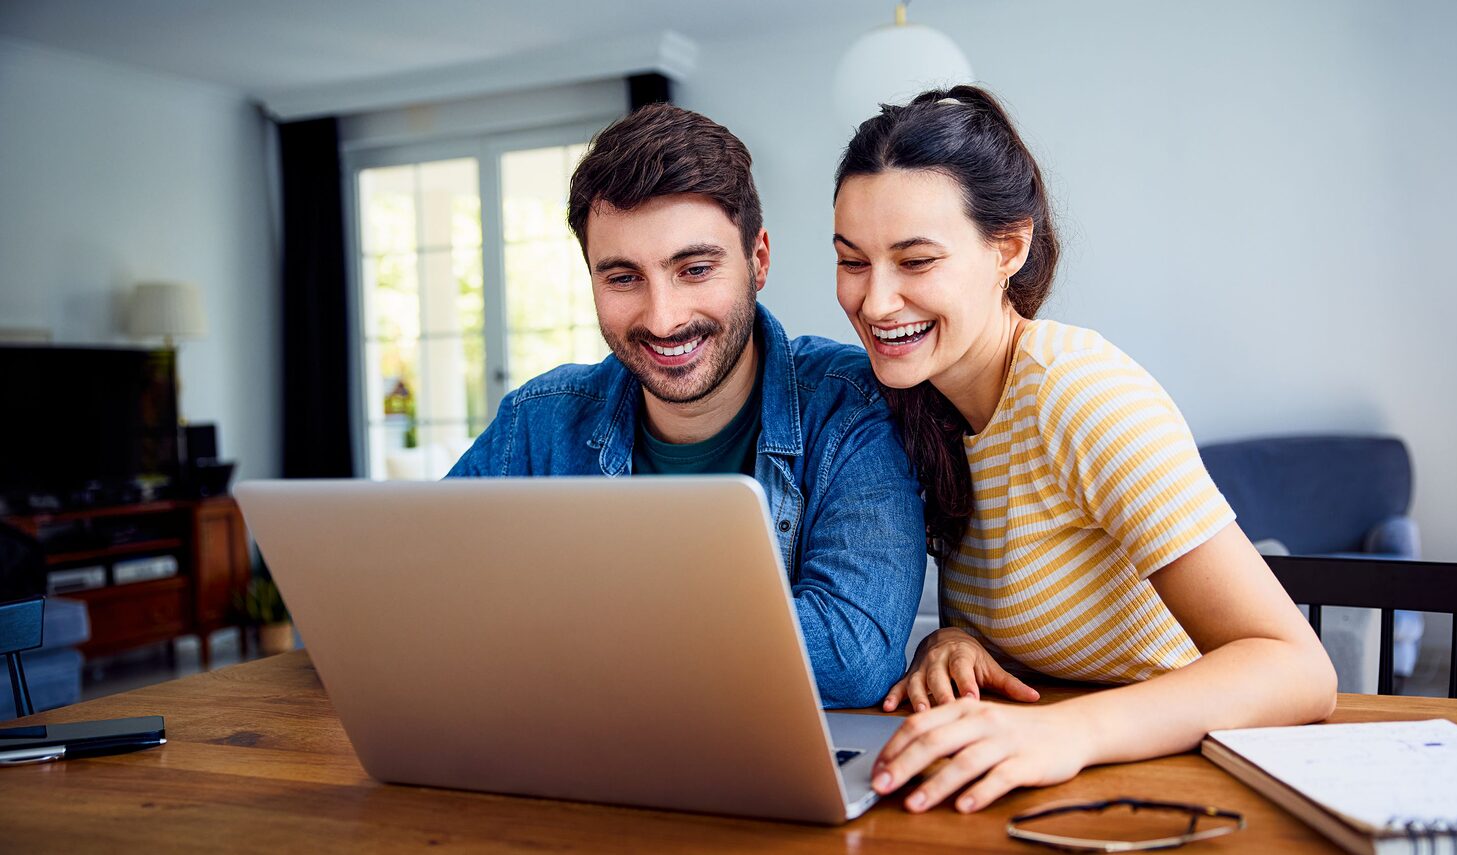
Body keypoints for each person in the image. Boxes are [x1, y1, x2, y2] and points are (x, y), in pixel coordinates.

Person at [830, 85, 1337, 812]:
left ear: (1008, 247)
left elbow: (1298, 670)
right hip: (1061, 786)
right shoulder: (922, 402)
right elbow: (1041, 594)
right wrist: (953, 644)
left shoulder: (1078, 392)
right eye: (853, 261)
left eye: (914, 261)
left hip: (1189, 779)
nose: (876, 303)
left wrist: (1068, 732)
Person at [449, 102, 926, 708]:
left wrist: (566, 622)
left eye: (695, 269)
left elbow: (850, 656)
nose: (663, 318)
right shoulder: (536, 421)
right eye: (622, 278)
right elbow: (425, 600)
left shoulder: (852, 407)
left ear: (758, 260)